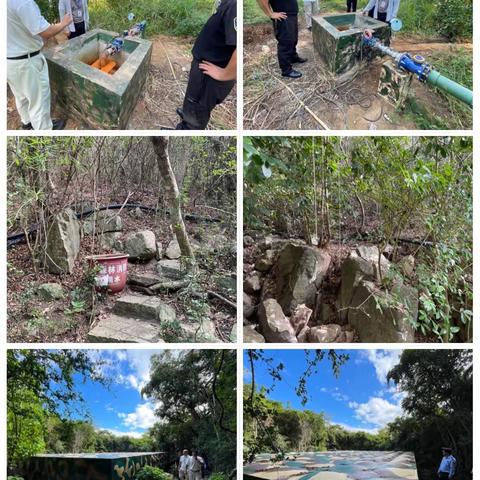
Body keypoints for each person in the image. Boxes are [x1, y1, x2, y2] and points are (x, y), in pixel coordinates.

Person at [7, 0, 71, 130]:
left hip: (9, 61)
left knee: (21, 96)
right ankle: (45, 130)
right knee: (39, 102)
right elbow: (46, 31)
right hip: (27, 62)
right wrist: (64, 23)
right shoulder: (23, 3)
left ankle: (27, 124)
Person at [176, 0, 236, 130]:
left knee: (197, 111)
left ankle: (189, 126)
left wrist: (224, 74)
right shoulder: (227, 3)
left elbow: (238, 47)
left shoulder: (235, 5)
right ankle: (187, 116)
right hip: (204, 68)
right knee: (192, 101)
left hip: (210, 76)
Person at [257, 0, 306, 78]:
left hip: (291, 14)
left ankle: (293, 57)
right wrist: (270, 14)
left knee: (293, 39)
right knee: (285, 42)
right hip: (282, 17)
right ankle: (286, 70)